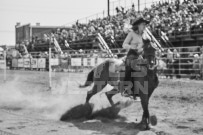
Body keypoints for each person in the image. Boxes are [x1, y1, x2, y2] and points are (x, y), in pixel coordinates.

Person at [121, 17, 150, 98]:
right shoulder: (131, 34)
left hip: (140, 55)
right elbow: (124, 44)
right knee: (129, 67)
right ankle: (126, 89)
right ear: (138, 25)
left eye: (145, 24)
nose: (145, 26)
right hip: (131, 54)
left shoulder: (144, 35)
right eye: (143, 24)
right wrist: (132, 47)